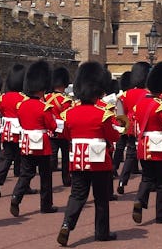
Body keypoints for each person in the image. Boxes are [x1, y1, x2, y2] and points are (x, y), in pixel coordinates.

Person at [56, 61, 120, 246]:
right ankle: (102, 233)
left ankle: (67, 224)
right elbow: (113, 136)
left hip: (78, 160)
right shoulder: (103, 114)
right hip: (99, 160)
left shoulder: (69, 114)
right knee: (100, 198)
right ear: (97, 90)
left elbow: (66, 135)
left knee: (77, 195)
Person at [131, 61, 162, 225]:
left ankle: (140, 199)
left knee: (147, 177)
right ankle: (160, 215)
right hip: (158, 146)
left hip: (143, 145)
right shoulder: (160, 106)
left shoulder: (140, 104)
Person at [10, 60, 59, 217]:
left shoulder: (21, 106)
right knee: (45, 177)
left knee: (26, 173)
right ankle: (46, 205)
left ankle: (16, 197)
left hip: (26, 143)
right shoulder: (44, 107)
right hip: (42, 145)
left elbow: (20, 122)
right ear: (42, 88)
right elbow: (52, 126)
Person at [0, 64, 27, 198]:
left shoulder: (2, 98)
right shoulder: (23, 99)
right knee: (23, 159)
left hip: (7, 130)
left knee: (7, 156)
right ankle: (23, 185)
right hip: (20, 131)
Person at [117, 62, 151, 194]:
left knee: (130, 155)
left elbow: (120, 114)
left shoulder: (124, 95)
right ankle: (148, 182)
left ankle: (122, 181)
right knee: (146, 155)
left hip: (130, 128)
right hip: (144, 127)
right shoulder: (148, 94)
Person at [47, 67, 74, 187]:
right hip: (63, 132)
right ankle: (66, 179)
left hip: (51, 130)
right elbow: (69, 117)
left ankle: (47, 178)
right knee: (65, 158)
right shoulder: (65, 100)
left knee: (51, 156)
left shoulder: (46, 98)